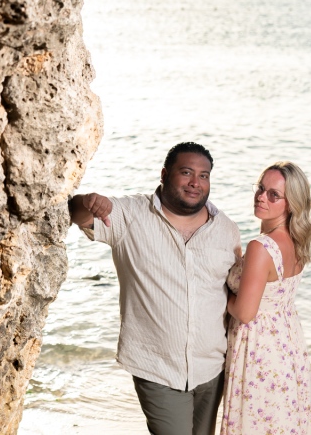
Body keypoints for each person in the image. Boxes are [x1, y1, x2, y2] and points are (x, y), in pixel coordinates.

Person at [68, 142, 242, 435]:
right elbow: (78, 215)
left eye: (204, 175)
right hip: (157, 367)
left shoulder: (226, 229)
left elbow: (233, 291)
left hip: (212, 367)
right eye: (186, 172)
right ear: (164, 174)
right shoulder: (129, 215)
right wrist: (87, 201)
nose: (195, 183)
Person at [220, 162, 311, 434]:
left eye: (273, 194)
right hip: (287, 347)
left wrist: (221, 291)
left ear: (291, 203)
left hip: (259, 350)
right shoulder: (296, 241)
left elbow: (244, 312)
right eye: (261, 188)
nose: (261, 196)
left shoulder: (261, 247)